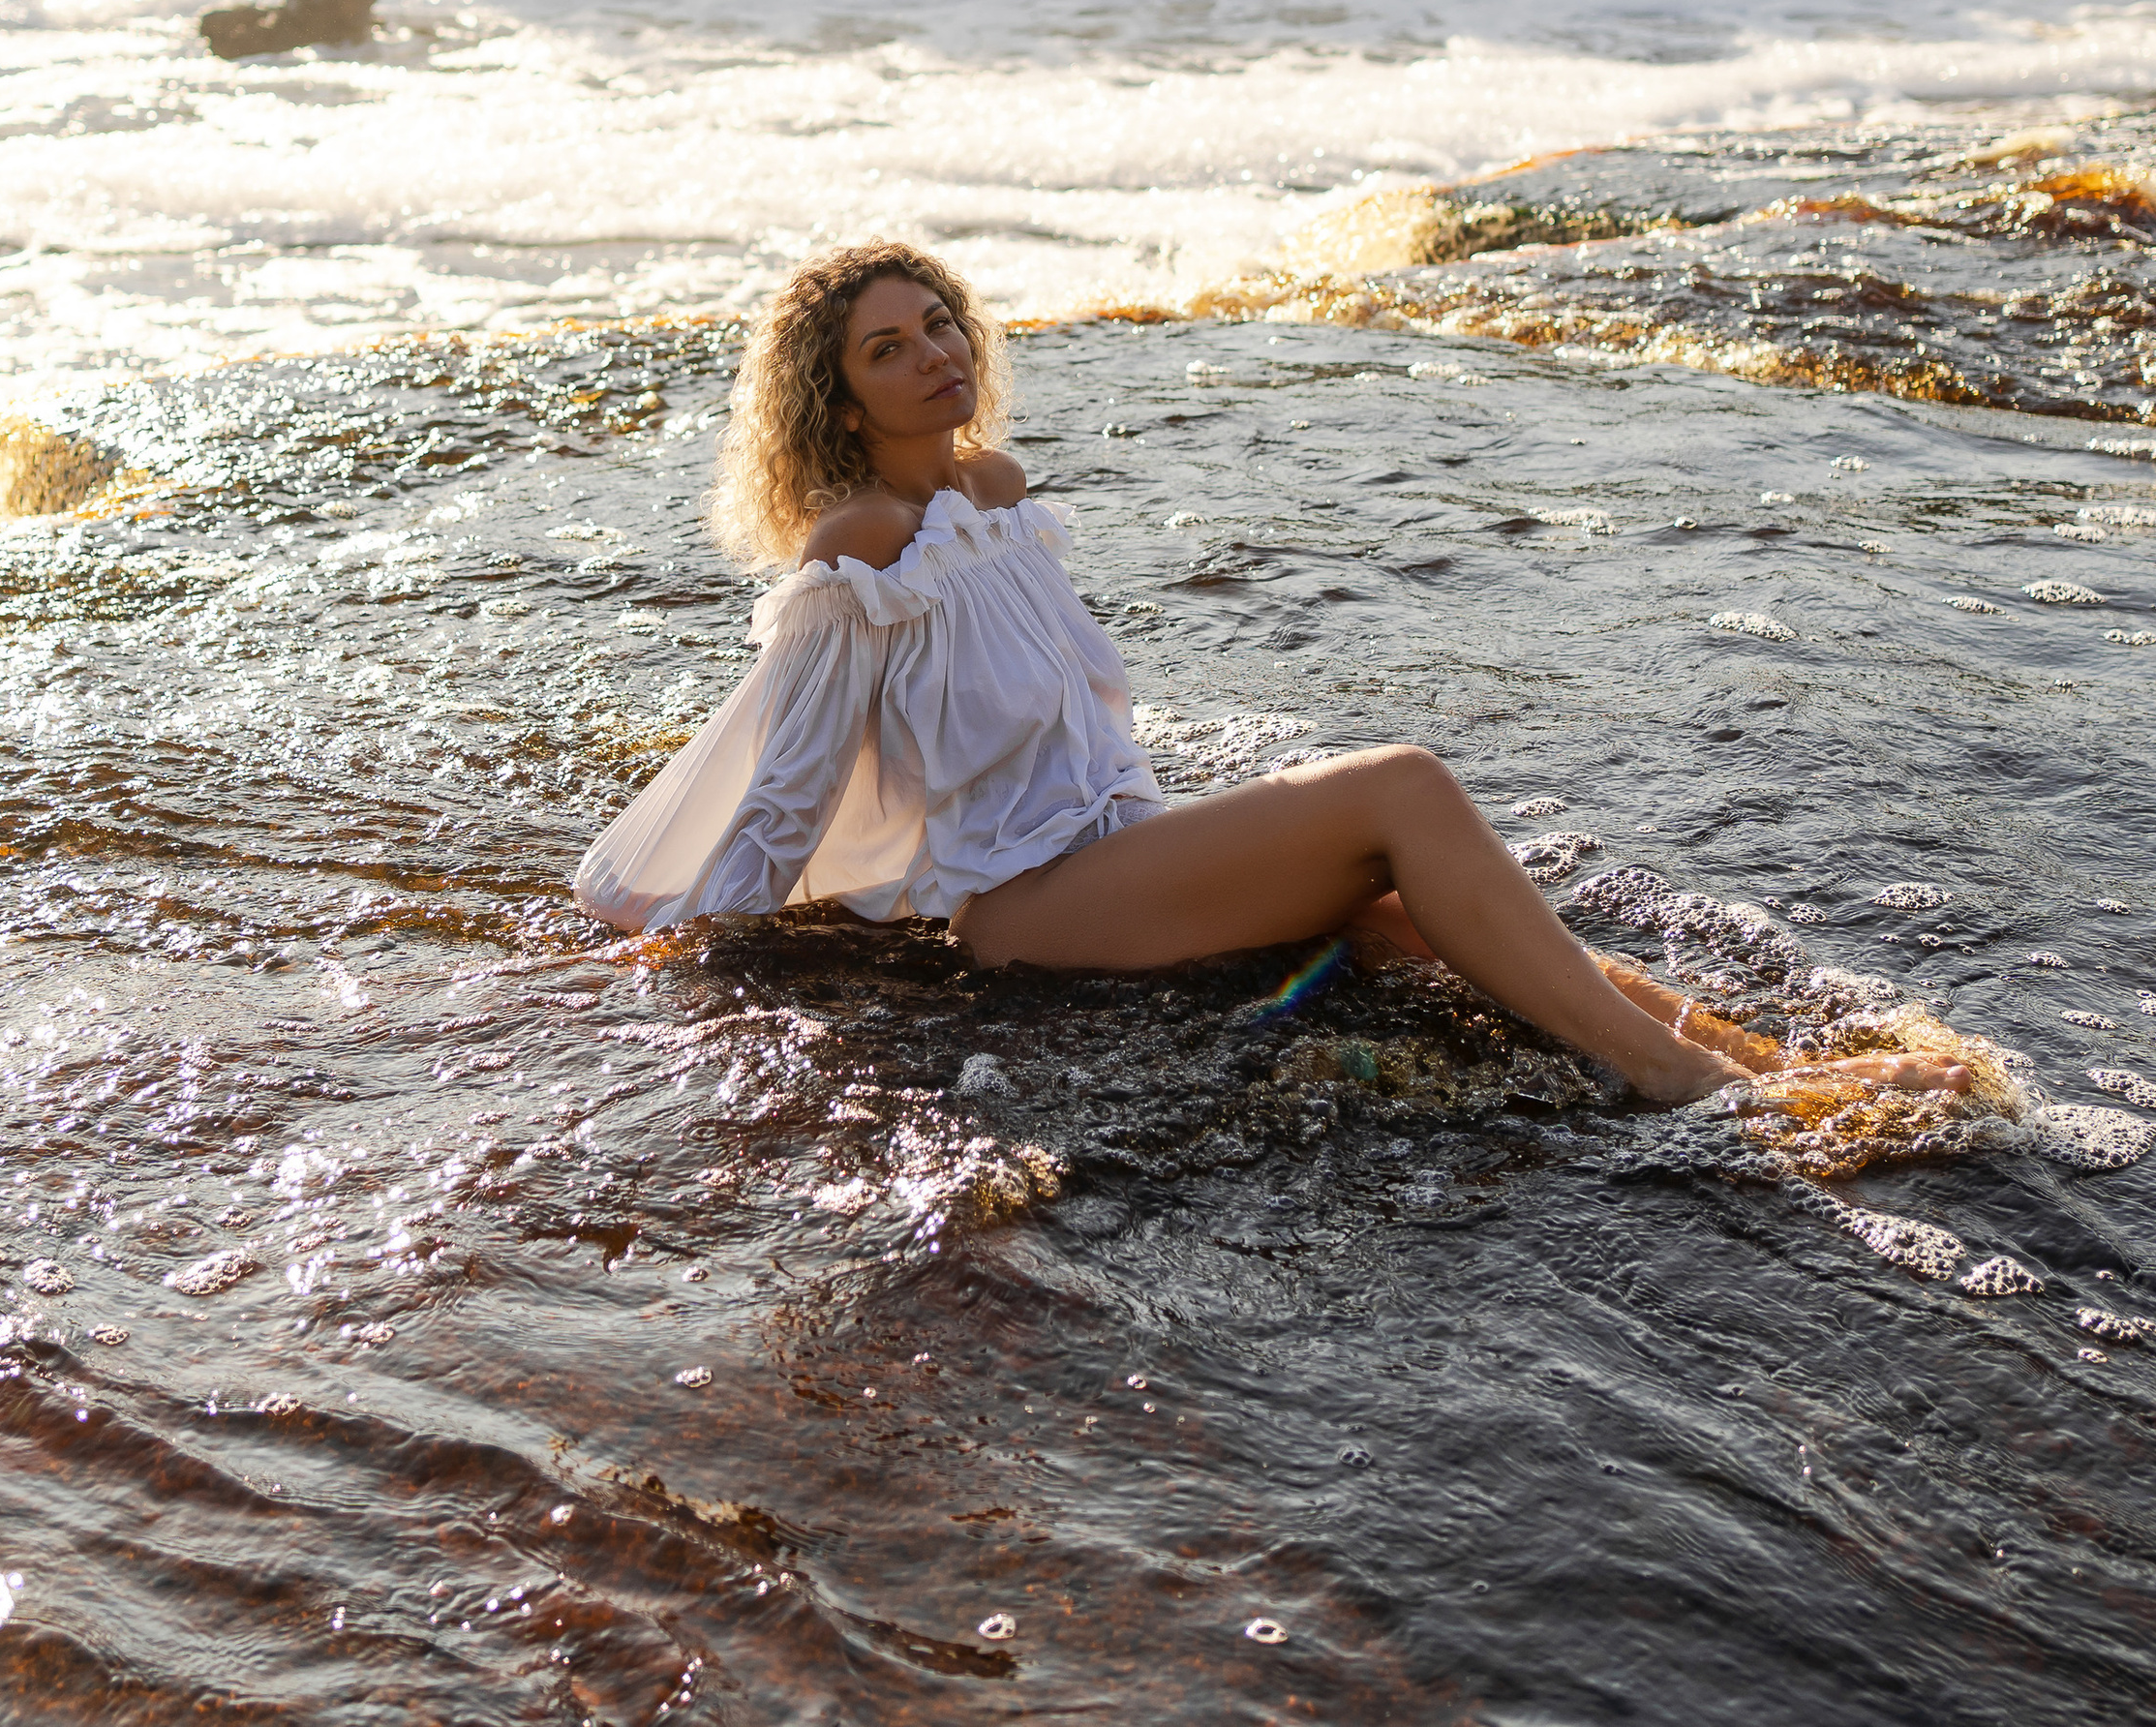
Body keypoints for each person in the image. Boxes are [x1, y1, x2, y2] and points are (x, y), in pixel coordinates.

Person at [574, 243, 1972, 1108]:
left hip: (1121, 847)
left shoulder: (995, 490)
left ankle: (1777, 1067)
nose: (934, 354)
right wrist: (698, 949)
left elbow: (1074, 723)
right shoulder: (860, 546)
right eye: (888, 349)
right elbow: (791, 782)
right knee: (1400, 788)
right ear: (840, 399)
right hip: (1027, 902)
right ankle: (1692, 1083)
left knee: (1424, 909)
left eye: (937, 322)